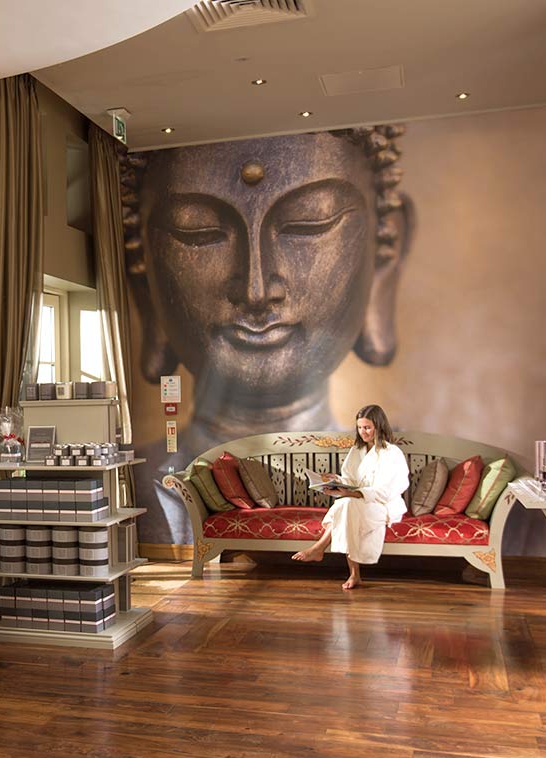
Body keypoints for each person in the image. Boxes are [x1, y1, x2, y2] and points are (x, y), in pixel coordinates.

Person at [121, 126, 414, 545]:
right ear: (142, 269)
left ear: (385, 251)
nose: (256, 290)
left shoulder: (394, 471)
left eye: (309, 224)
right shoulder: (124, 490)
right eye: (198, 232)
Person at [292, 404, 408, 591]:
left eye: (367, 427)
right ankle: (348, 570)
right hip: (357, 501)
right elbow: (351, 479)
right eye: (360, 427)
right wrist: (336, 480)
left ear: (379, 426)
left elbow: (386, 491)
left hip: (383, 505)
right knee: (347, 506)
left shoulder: (392, 453)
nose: (363, 432)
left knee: (347, 505)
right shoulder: (357, 450)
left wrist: (351, 493)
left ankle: (321, 549)